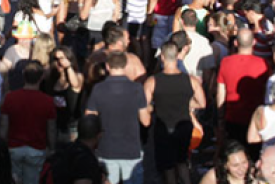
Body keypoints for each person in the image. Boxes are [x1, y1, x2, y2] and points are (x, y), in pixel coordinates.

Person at [145, 41, 205, 184]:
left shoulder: (152, 81)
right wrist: (187, 104)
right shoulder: (191, 80)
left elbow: (144, 105)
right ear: (178, 56)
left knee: (168, 168)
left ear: (162, 58)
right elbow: (202, 103)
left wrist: (156, 106)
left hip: (163, 128)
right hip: (184, 127)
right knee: (182, 162)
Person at [85, 51, 149, 184]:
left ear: (107, 66)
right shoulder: (137, 88)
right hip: (132, 148)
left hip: (106, 147)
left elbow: (89, 117)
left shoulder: (98, 88)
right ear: (125, 66)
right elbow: (146, 121)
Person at [0, 60, 56, 184]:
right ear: (41, 78)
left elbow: (4, 126)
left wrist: (2, 145)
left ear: (23, 75)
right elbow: (51, 128)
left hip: (13, 148)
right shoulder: (48, 101)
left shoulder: (10, 98)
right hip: (36, 149)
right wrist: (52, 148)